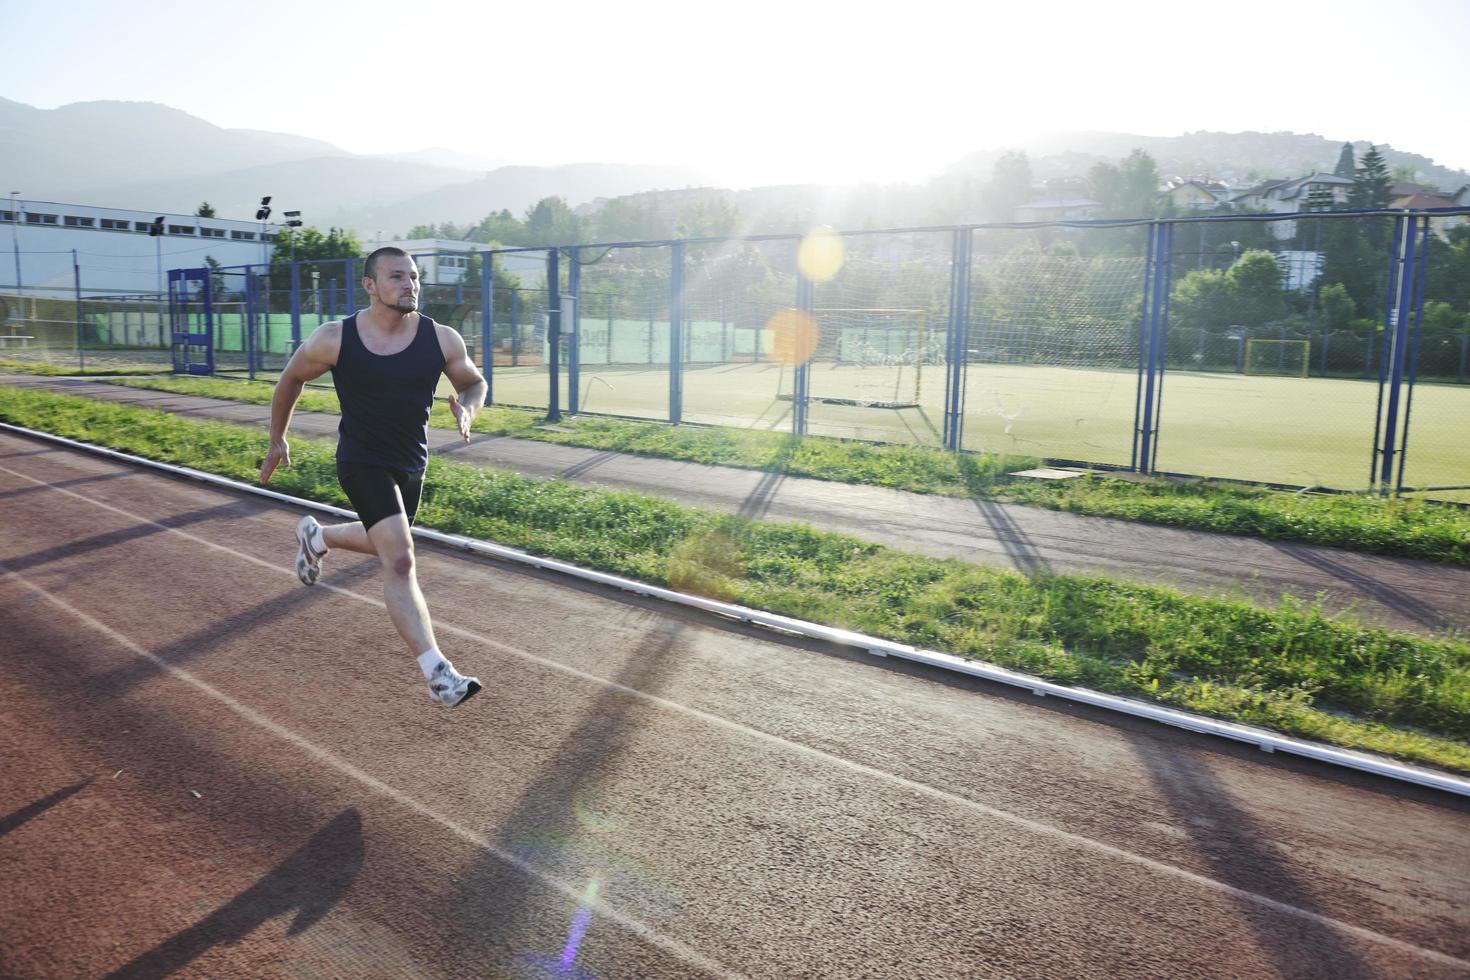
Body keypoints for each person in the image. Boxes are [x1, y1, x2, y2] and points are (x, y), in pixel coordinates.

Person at [260, 246, 485, 707]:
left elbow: (473, 381)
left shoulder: (441, 339)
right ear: (370, 285)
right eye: (397, 277)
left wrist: (468, 406)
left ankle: (317, 537)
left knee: (385, 539)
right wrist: (277, 439)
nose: (410, 285)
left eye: (415, 277)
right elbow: (290, 380)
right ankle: (438, 673)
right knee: (399, 558)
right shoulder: (335, 338)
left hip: (411, 463)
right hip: (361, 460)